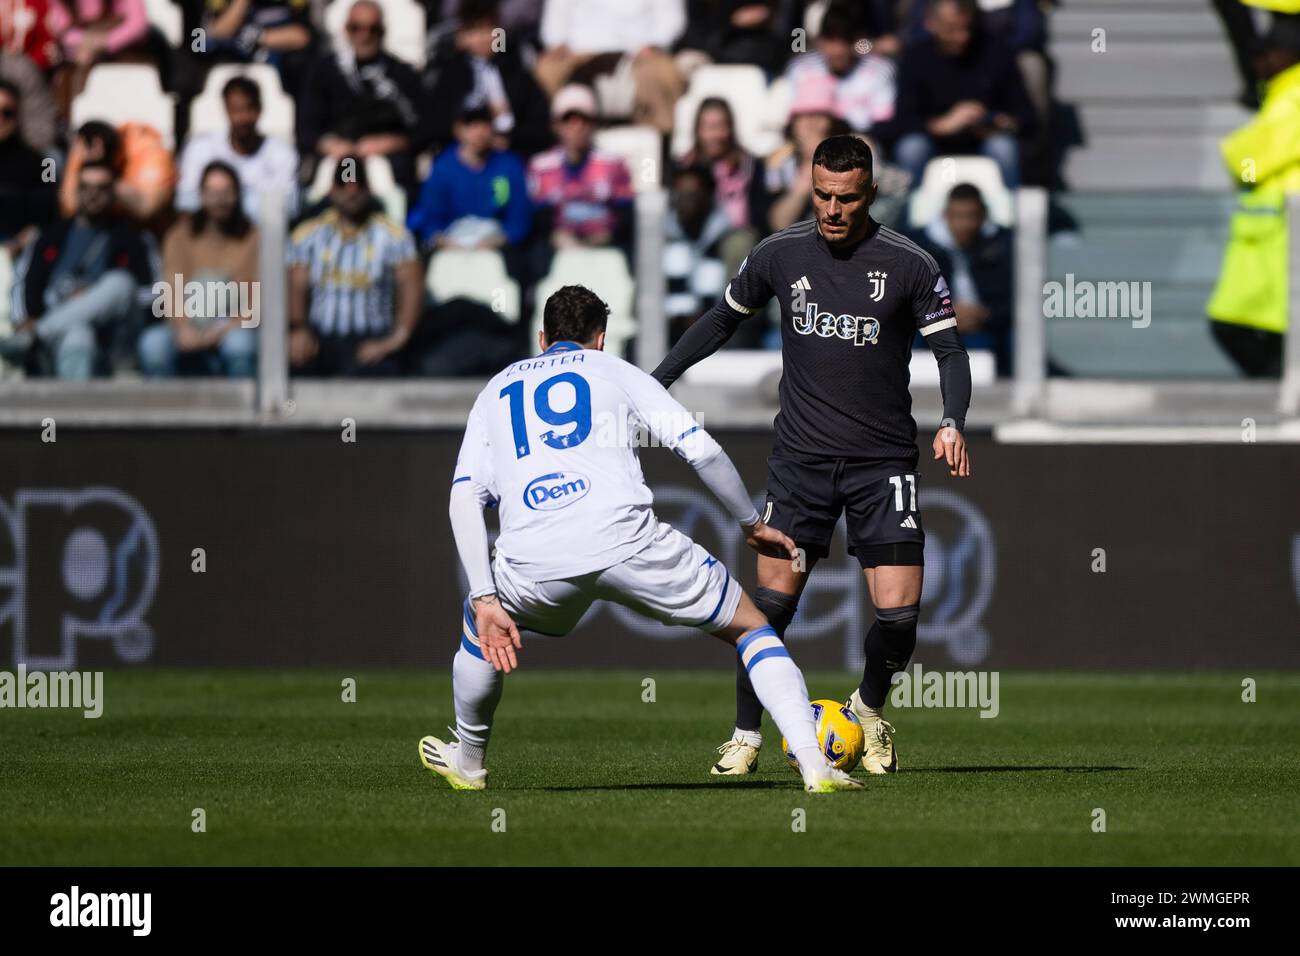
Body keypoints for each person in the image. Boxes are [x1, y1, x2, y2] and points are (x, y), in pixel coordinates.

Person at [420, 283, 864, 794]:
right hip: (627, 542)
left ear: (542, 337)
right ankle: (814, 764)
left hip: (532, 559)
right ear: (601, 338)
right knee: (752, 630)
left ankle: (470, 763)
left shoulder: (495, 390)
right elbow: (701, 451)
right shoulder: (616, 371)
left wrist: (484, 596)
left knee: (478, 628)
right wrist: (750, 523)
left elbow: (463, 498)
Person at [651, 135, 973, 776]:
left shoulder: (910, 264)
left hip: (883, 464)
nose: (832, 209)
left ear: (871, 194)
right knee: (767, 614)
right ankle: (745, 736)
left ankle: (870, 709)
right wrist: (653, 381)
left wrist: (953, 422)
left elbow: (951, 353)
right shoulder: (779, 253)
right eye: (822, 194)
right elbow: (722, 319)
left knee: (901, 616)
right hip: (799, 465)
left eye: (846, 198)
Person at [1206, 15, 1300, 378]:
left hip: (1279, 239)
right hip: (1269, 238)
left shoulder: (1292, 97)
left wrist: (1235, 149)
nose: (1261, 63)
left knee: (1236, 328)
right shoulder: (1280, 95)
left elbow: (1250, 158)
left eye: (1269, 53)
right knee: (1266, 337)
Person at [1, 159, 155, 378]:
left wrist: (95, 298)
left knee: (120, 282)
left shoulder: (136, 240)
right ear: (76, 190)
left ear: (114, 192)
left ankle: (37, 334)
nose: (93, 195)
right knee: (78, 336)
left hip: (118, 339)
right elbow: (21, 283)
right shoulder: (47, 237)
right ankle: (74, 411)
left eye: (101, 189)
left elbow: (155, 296)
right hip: (63, 334)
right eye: (86, 187)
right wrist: (24, 319)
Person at [287, 157, 421, 376]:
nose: (351, 192)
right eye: (344, 185)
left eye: (358, 185)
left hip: (374, 339)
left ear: (368, 189)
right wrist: (298, 329)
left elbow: (411, 287)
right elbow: (296, 287)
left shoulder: (394, 236)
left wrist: (394, 341)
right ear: (331, 190)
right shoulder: (308, 236)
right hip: (320, 340)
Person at [891, 0, 1033, 188]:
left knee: (1004, 148)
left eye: (966, 28)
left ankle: (1009, 215)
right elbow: (902, 120)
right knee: (912, 149)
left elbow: (1026, 115)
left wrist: (999, 121)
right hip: (932, 139)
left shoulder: (996, 52)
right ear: (930, 24)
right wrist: (942, 125)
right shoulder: (915, 57)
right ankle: (906, 214)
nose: (962, 37)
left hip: (985, 139)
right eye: (951, 29)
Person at [297, 0, 431, 197]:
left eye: (372, 29)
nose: (364, 36)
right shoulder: (323, 72)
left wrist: (392, 142)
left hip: (388, 161)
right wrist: (330, 144)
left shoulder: (402, 74)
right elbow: (305, 128)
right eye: (356, 28)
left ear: (383, 31)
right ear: (346, 30)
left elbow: (428, 127)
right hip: (337, 159)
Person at [138, 161, 259, 377]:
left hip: (233, 327)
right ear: (201, 195)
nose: (220, 200)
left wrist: (219, 331)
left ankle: (243, 410)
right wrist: (184, 328)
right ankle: (161, 410)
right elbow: (171, 291)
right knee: (153, 344)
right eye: (212, 192)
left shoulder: (254, 237)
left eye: (226, 192)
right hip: (187, 324)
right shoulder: (179, 236)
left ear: (237, 195)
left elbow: (256, 303)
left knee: (239, 346)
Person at [533, 0, 686, 134]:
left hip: (637, 54)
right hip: (578, 53)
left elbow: (671, 19)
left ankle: (662, 146)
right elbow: (554, 22)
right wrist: (557, 42)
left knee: (666, 74)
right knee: (544, 71)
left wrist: (655, 43)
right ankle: (563, 142)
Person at [908, 182, 1013, 376]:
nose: (964, 224)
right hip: (932, 325)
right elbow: (906, 295)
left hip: (985, 325)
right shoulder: (917, 244)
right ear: (945, 215)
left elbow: (1016, 297)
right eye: (957, 216)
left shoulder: (1004, 244)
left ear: (983, 216)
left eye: (971, 216)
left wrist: (986, 314)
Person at [426, 0, 553, 158]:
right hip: (463, 156)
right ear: (460, 37)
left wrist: (509, 139)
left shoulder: (515, 71)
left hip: (512, 153)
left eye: (488, 30)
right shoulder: (451, 76)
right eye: (473, 32)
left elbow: (540, 125)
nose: (482, 39)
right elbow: (437, 125)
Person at [526, 84, 634, 266]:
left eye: (584, 120)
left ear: (593, 124)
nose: (576, 127)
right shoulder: (541, 167)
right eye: (568, 120)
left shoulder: (613, 164)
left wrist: (605, 236)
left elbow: (626, 214)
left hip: (605, 244)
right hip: (558, 246)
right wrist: (557, 237)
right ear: (555, 125)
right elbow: (537, 218)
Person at [406, 104, 530, 255]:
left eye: (485, 124)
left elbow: (519, 219)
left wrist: (499, 240)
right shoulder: (442, 168)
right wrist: (445, 242)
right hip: (452, 247)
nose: (479, 132)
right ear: (458, 130)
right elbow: (431, 219)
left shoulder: (509, 165)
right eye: (471, 125)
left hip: (498, 248)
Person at [177, 75, 299, 222]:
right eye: (235, 110)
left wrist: (221, 202)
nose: (242, 118)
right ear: (225, 109)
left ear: (260, 109)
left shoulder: (282, 153)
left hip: (259, 236)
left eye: (249, 109)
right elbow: (186, 201)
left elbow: (289, 207)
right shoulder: (200, 148)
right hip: (209, 234)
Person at [59, 118, 176, 225]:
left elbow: (146, 207)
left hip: (140, 232)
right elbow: (69, 206)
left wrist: (106, 179)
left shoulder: (146, 151)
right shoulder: (84, 150)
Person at [0, 78, 58, 255]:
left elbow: (45, 221)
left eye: (7, 112)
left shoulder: (41, 163)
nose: (0, 118)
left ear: (17, 116)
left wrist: (13, 247)